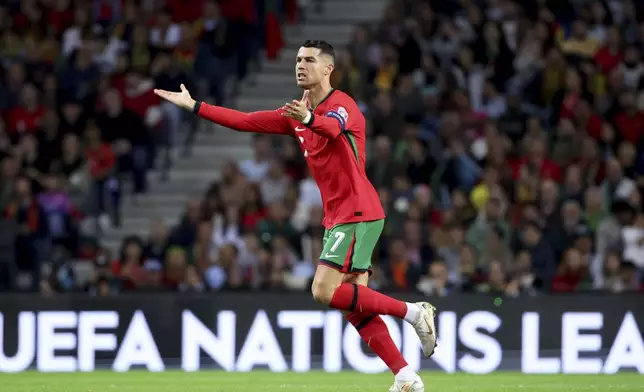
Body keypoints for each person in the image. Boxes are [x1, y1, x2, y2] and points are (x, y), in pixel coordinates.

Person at [154, 40, 437, 391]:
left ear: (327, 69)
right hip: (339, 216)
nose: (300, 65)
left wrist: (307, 118)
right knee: (354, 306)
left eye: (310, 60)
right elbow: (244, 121)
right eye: (298, 59)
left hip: (359, 210)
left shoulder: (342, 104)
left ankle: (413, 312)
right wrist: (195, 106)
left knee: (322, 290)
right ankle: (405, 376)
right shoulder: (296, 112)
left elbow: (332, 129)